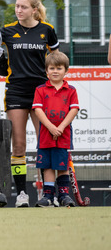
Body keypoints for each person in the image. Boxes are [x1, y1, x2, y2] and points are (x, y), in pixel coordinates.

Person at [0, 0, 59, 207]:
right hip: (15, 91)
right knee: (19, 146)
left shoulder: (47, 30)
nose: (18, 10)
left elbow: (56, 60)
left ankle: (49, 194)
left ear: (34, 9)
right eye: (16, 6)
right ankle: (22, 195)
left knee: (45, 143)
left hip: (41, 93)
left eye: (23, 7)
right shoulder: (6, 31)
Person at [32, 51, 80, 207]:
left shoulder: (71, 90)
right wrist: (51, 127)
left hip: (63, 135)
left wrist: (60, 127)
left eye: (59, 68)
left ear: (66, 71)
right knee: (47, 166)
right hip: (46, 135)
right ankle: (48, 196)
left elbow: (74, 110)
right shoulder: (40, 89)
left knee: (62, 166)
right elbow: (38, 110)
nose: (55, 71)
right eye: (51, 68)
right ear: (46, 71)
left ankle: (64, 195)